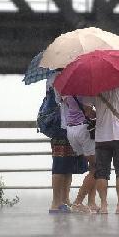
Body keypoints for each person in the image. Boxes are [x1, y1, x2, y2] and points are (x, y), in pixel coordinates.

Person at [84, 84, 119, 214]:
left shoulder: (94, 87)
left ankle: (104, 205)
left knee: (102, 172)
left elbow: (87, 111)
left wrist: (99, 113)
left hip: (102, 136)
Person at [47, 72, 87, 214]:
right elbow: (62, 99)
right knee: (59, 164)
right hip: (61, 126)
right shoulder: (56, 78)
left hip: (71, 127)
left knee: (68, 165)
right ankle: (55, 202)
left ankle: (65, 199)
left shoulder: (69, 75)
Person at [60, 95, 98, 213]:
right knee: (96, 169)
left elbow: (69, 105)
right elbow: (88, 112)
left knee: (92, 168)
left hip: (71, 130)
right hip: (83, 130)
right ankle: (78, 202)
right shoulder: (87, 91)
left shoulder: (67, 89)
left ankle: (91, 203)